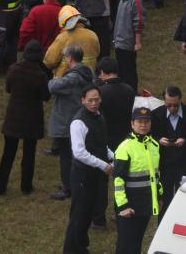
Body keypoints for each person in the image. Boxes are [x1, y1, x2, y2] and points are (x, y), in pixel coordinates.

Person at [0, 40, 49, 195]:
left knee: (8, 153)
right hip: (32, 117)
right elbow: (46, 96)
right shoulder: (40, 75)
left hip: (14, 116)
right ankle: (26, 186)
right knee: (29, 154)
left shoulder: (14, 69)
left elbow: (8, 88)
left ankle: (0, 186)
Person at [62, 84, 114, 254]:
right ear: (82, 100)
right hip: (83, 174)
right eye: (90, 100)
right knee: (79, 213)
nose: (94, 103)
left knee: (89, 210)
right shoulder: (79, 122)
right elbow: (79, 152)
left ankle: (81, 245)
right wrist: (103, 164)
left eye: (96, 100)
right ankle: (72, 249)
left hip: (95, 174)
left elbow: (101, 143)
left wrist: (114, 156)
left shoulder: (99, 116)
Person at [48, 46, 94, 201]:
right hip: (78, 118)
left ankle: (68, 186)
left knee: (66, 156)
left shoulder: (73, 77)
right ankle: (73, 183)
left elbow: (53, 87)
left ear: (70, 58)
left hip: (66, 121)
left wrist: (55, 78)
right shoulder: (87, 72)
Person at [113, 107, 162, 254]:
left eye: (146, 121)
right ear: (132, 124)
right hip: (130, 206)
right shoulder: (124, 147)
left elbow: (156, 175)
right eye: (139, 121)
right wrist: (123, 207)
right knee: (125, 246)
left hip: (145, 204)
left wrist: (158, 196)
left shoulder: (154, 145)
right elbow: (118, 180)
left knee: (136, 244)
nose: (143, 125)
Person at [151, 86, 186, 223]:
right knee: (164, 200)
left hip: (185, 165)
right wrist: (158, 141)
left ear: (181, 100)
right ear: (163, 101)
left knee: (184, 199)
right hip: (164, 166)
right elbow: (148, 139)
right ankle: (163, 226)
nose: (172, 108)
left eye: (176, 105)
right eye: (169, 105)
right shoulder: (155, 115)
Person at [44, 5, 100, 77]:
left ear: (63, 23)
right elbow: (97, 54)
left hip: (65, 81)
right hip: (88, 79)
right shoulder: (93, 35)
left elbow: (49, 61)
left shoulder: (63, 37)